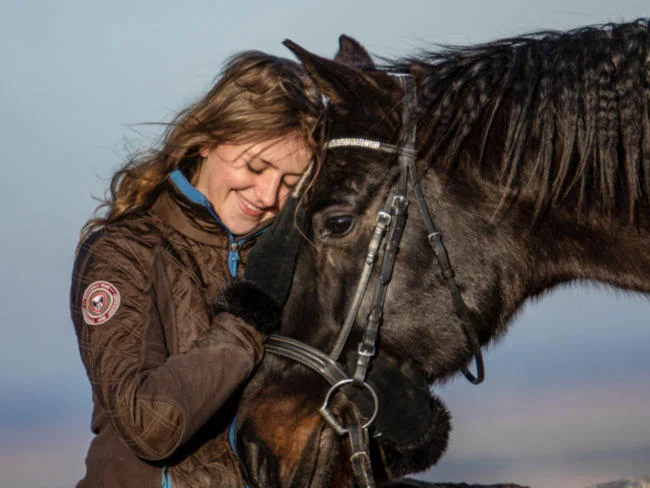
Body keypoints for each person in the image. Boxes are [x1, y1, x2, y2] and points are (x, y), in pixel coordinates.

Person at [70, 51, 324, 487]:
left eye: (290, 183)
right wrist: (245, 323)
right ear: (205, 139)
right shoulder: (123, 251)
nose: (267, 195)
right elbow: (149, 426)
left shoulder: (294, 259)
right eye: (255, 167)